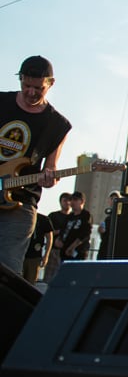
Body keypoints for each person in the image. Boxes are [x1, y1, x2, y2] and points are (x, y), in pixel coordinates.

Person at [0, 56, 71, 275]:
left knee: (8, 270)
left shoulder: (57, 124)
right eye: (26, 85)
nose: (31, 92)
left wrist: (51, 177)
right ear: (20, 79)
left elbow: (51, 168)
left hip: (20, 204)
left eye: (38, 88)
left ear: (51, 83)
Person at [44, 191, 71, 282]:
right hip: (54, 250)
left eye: (69, 200)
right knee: (50, 277)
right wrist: (60, 232)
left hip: (68, 252)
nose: (67, 202)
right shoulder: (53, 216)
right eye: (65, 200)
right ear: (60, 202)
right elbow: (47, 232)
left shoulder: (73, 217)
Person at [21, 212, 54, 284]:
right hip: (19, 255)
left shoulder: (43, 219)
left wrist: (46, 255)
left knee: (30, 282)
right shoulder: (20, 216)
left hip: (34, 257)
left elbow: (49, 238)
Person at [61, 191, 92, 262]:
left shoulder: (86, 215)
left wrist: (72, 247)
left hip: (78, 253)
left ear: (82, 201)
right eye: (71, 199)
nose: (72, 202)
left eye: (75, 199)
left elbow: (85, 233)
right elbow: (63, 230)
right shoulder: (69, 216)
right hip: (65, 252)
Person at [96, 190, 121, 259]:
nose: (113, 201)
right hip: (105, 250)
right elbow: (104, 236)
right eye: (111, 198)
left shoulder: (121, 217)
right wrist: (101, 232)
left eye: (115, 198)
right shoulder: (108, 218)